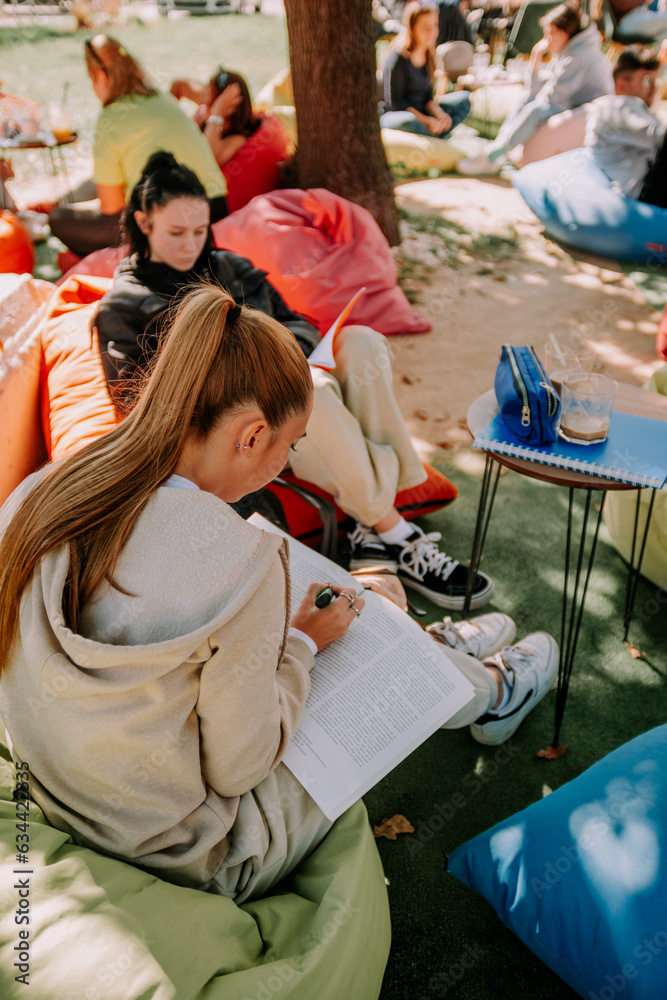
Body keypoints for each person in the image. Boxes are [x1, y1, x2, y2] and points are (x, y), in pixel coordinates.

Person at [0, 275, 559, 899]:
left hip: (57, 791)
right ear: (250, 435)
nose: (287, 464)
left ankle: (431, 647)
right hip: (190, 851)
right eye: (290, 446)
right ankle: (489, 689)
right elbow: (240, 766)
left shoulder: (42, 491)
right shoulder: (243, 563)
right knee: (359, 660)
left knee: (344, 631)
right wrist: (299, 645)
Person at [95, 151, 493, 610]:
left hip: (294, 396)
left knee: (361, 341)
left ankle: (371, 528)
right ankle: (393, 530)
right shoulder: (125, 306)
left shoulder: (228, 268)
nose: (190, 245)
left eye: (200, 231)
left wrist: (287, 353)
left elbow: (299, 323)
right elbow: (138, 402)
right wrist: (253, 375)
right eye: (176, 233)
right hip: (236, 427)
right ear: (144, 223)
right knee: (312, 390)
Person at [48, 35, 227, 259]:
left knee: (57, 218)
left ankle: (119, 260)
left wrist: (76, 209)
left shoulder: (110, 117)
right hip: (216, 208)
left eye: (91, 79)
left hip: (175, 223)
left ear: (102, 77)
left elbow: (111, 208)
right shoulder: (163, 98)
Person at [458, 4, 613, 174]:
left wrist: (534, 81)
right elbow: (540, 88)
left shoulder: (578, 56)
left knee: (535, 109)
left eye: (549, 33)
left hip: (586, 112)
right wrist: (535, 57)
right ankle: (497, 150)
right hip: (573, 104)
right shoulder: (573, 51)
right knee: (527, 97)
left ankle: (493, 156)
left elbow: (551, 97)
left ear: (561, 33)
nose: (546, 39)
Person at [170, 68, 292, 212]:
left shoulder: (238, 139)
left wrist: (217, 113)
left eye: (212, 101)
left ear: (230, 107)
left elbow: (209, 156)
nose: (205, 104)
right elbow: (180, 85)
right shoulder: (206, 112)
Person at [585, 46, 667, 207]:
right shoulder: (618, 107)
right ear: (622, 85)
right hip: (642, 193)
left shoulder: (625, 107)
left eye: (655, 80)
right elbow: (659, 138)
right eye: (647, 80)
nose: (653, 86)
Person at [379, 1, 472, 138]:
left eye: (435, 26)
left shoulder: (429, 55)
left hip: (422, 114)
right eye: (425, 27)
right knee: (409, 121)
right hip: (398, 116)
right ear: (412, 27)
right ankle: (433, 137)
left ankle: (431, 136)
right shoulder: (398, 56)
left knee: (463, 100)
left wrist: (439, 114)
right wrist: (427, 121)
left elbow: (428, 98)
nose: (432, 32)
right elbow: (396, 103)